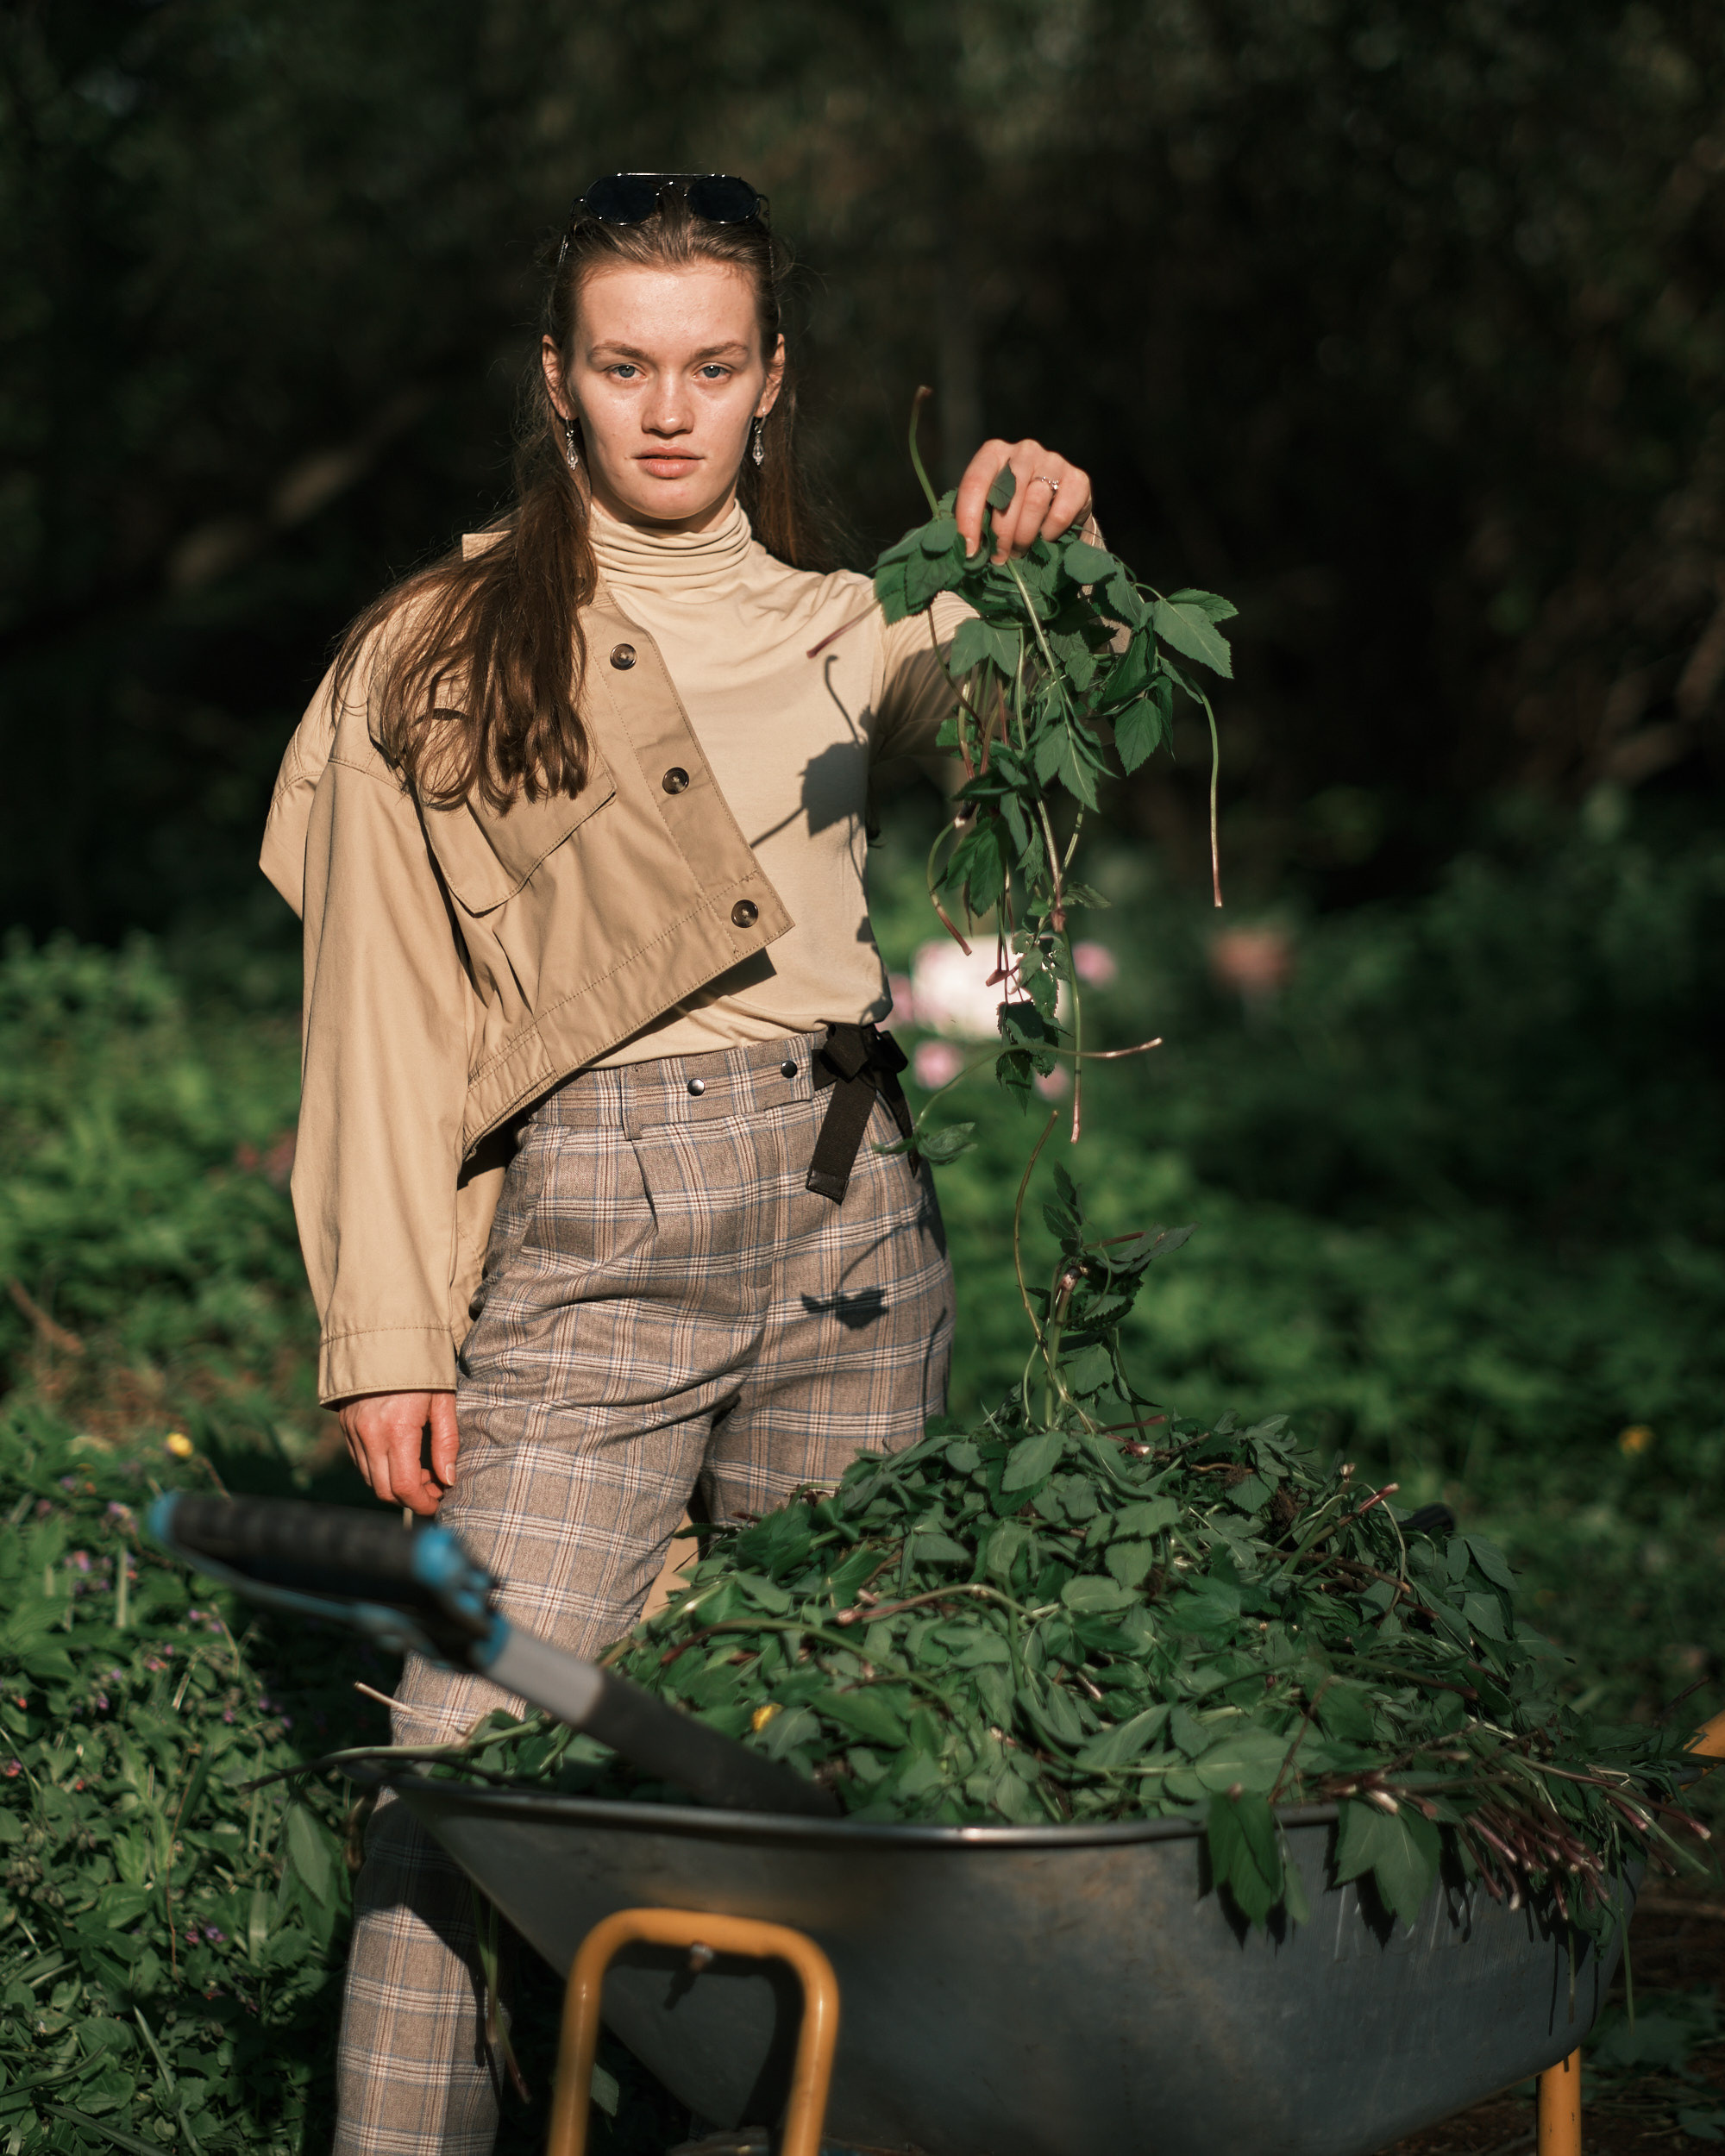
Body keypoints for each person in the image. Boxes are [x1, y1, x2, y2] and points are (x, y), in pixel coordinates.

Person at [261, 170, 1095, 2155]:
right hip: (599, 1229)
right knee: (461, 1745)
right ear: (555, 376)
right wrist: (387, 1332)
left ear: (772, 377)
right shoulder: (433, 648)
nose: (666, 409)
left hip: (855, 1216)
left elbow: (1035, 727)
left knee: (824, 1732)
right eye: (624, 363)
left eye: (710, 366)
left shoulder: (850, 620)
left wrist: (1043, 546)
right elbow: (376, 1012)